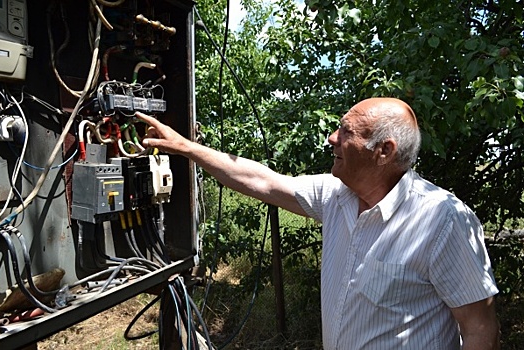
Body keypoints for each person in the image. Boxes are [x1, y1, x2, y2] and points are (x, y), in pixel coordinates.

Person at [135, 97, 500, 349]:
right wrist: (186, 148)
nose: (332, 139)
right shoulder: (336, 195)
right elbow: (263, 181)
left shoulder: (442, 220)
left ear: (384, 151)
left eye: (345, 132)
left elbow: (480, 330)